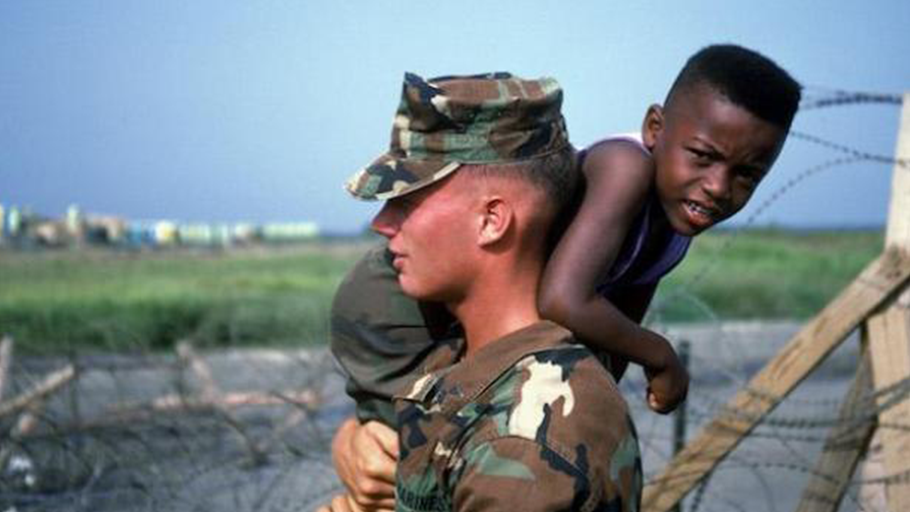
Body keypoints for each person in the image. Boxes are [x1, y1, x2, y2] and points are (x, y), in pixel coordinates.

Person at [330, 44, 802, 510]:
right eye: (702, 156)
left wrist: (589, 405)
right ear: (654, 128)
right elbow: (563, 300)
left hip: (474, 317)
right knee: (394, 457)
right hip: (393, 308)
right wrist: (660, 356)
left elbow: (614, 327)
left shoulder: (679, 216)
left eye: (747, 175)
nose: (719, 187)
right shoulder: (627, 167)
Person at [319, 72, 641, 512]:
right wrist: (351, 440)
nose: (382, 222)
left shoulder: (528, 444)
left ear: (492, 220)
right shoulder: (469, 363)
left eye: (406, 202)